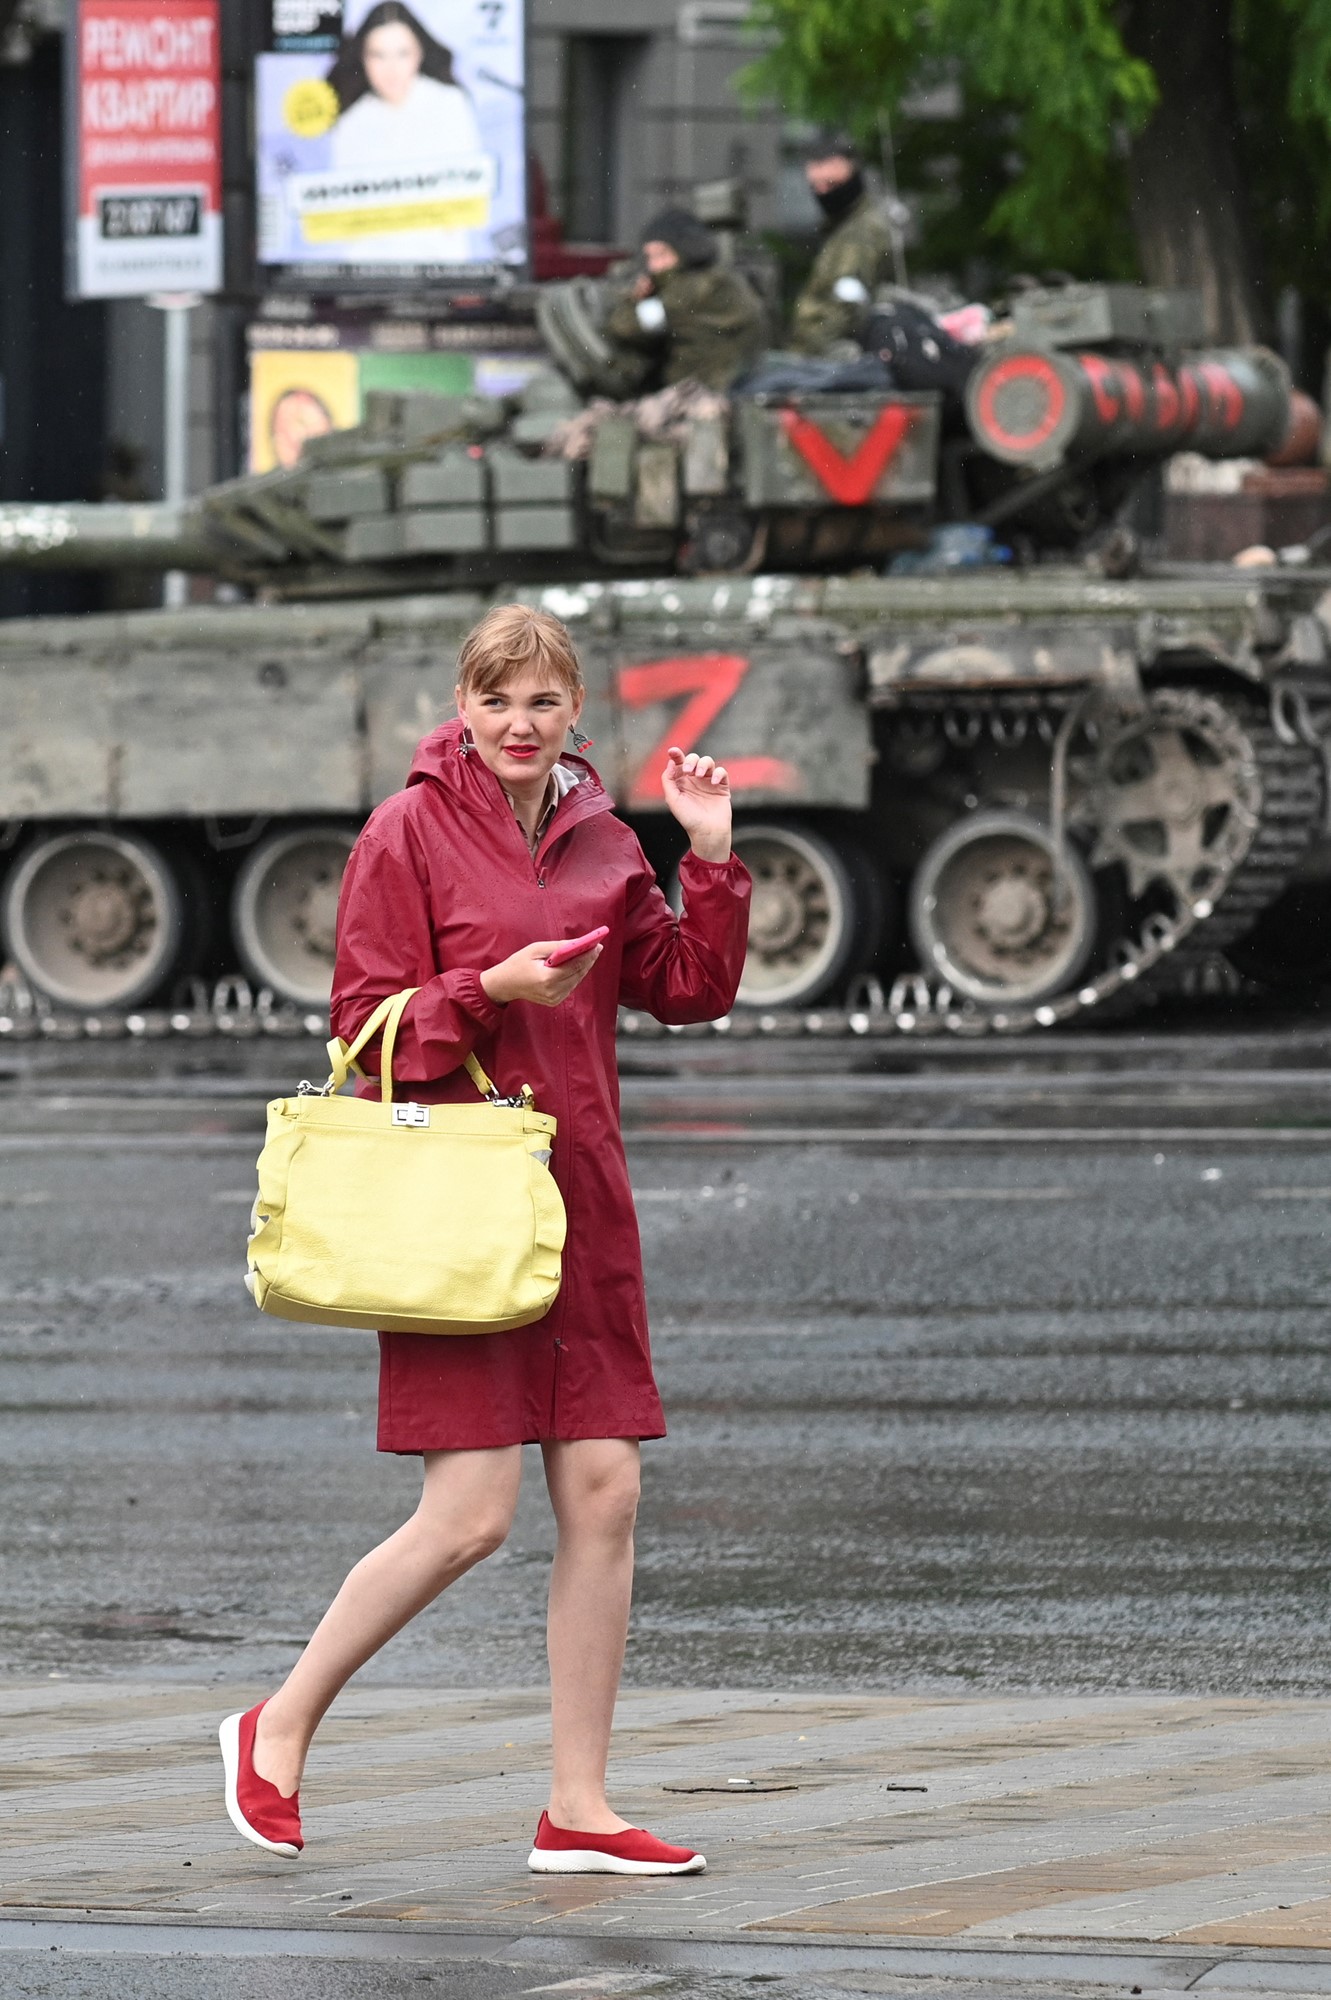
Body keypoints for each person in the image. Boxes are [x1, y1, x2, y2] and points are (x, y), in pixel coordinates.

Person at [219, 604, 751, 1876]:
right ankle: (273, 1723)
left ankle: (578, 1802)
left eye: (543, 701)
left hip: (581, 1205)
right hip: (454, 1207)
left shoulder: (607, 837)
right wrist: (486, 992)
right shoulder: (405, 830)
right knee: (467, 1516)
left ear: (576, 714)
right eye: (496, 699)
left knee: (606, 1493)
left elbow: (688, 988)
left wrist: (713, 856)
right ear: (462, 704)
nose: (519, 723)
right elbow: (367, 1031)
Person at [325, 3, 483, 261]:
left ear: (419, 53)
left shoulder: (449, 103)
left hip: (440, 263)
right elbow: (346, 210)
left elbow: (469, 192)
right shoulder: (352, 120)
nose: (391, 68)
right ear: (363, 58)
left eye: (402, 53)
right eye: (378, 55)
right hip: (369, 268)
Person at [602, 208, 766, 392]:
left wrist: (635, 300)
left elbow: (626, 327)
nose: (653, 266)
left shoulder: (691, 290)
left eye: (662, 255)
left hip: (701, 395)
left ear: (686, 250)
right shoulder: (719, 280)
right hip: (720, 389)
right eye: (649, 257)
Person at [791, 135, 894, 356]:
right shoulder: (842, 230)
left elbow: (846, 308)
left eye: (832, 184)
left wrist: (808, 354)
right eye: (816, 186)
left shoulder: (861, 233)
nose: (823, 193)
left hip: (834, 356)